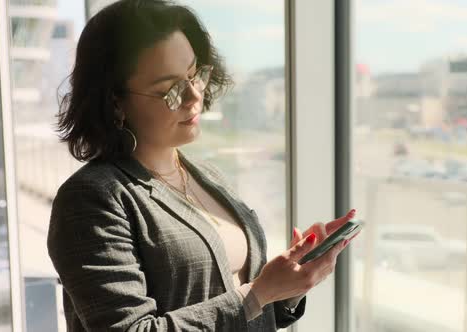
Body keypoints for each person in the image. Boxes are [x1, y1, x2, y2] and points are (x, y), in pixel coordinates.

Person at [47, 1, 357, 331]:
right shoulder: (91, 198)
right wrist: (259, 293)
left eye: (195, 75)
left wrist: (288, 285)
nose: (194, 96)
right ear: (115, 101)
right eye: (170, 89)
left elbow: (242, 306)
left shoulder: (207, 177)